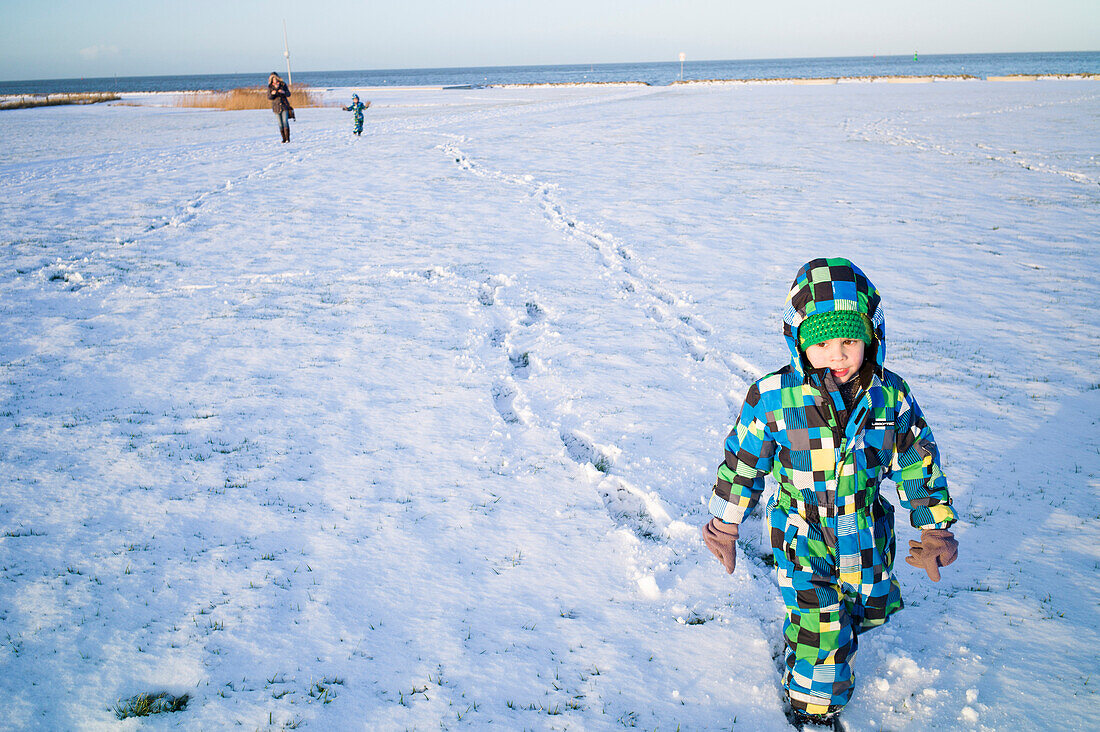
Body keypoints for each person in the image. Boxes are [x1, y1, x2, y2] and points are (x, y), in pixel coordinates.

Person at [702, 257, 958, 728]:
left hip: (865, 534)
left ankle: (825, 643)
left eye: (849, 341)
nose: (836, 355)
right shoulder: (775, 398)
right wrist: (726, 523)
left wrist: (934, 525)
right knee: (823, 631)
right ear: (799, 340)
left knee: (864, 612)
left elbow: (917, 461)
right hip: (802, 534)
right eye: (822, 342)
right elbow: (742, 463)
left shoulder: (889, 397)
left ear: (871, 339)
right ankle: (813, 707)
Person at [267, 72, 293, 143]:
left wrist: (283, 92)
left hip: (284, 105)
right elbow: (269, 97)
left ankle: (287, 138)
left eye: (275, 78)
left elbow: (288, 94)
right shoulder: (270, 87)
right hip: (276, 107)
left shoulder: (283, 84)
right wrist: (273, 94)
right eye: (273, 79)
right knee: (280, 123)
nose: (274, 80)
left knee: (285, 121)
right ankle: (283, 138)